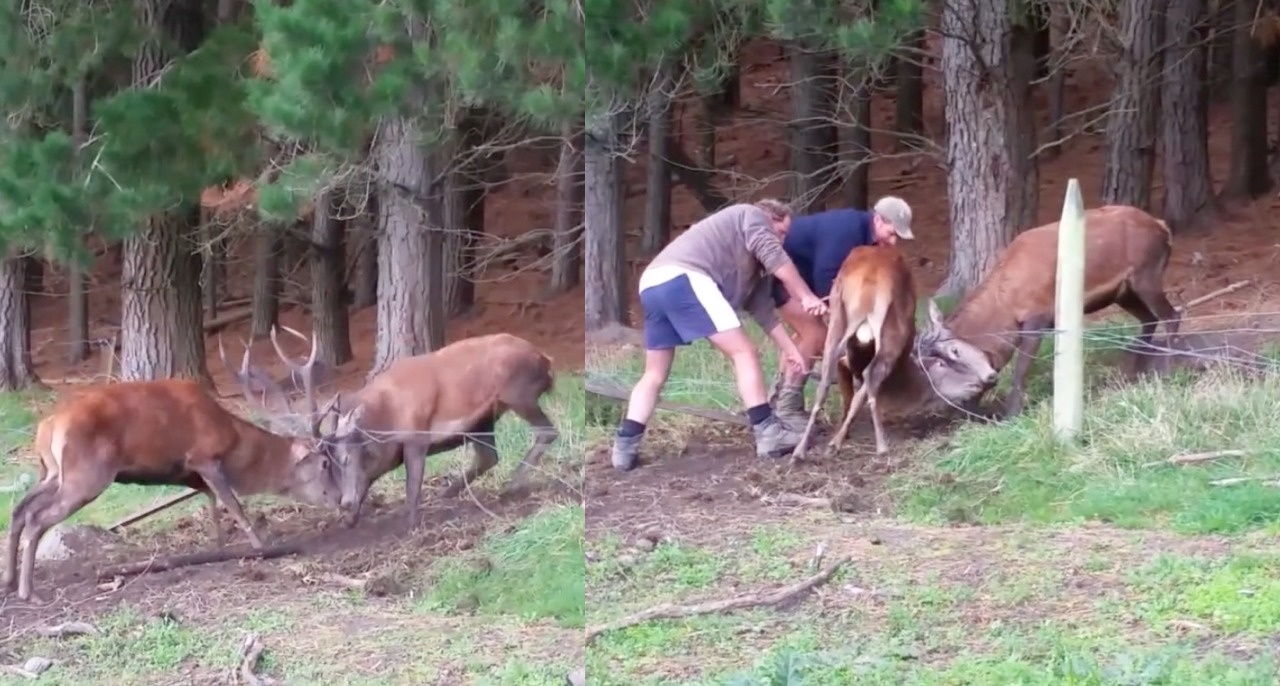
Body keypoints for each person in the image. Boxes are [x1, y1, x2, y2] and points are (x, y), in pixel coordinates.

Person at [610, 199, 829, 471]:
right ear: (770, 218)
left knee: (654, 374)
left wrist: (790, 349)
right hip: (685, 278)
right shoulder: (751, 215)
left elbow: (762, 310)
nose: (782, 240)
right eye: (781, 232)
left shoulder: (750, 266)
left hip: (653, 285)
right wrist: (806, 296)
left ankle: (625, 446)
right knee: (744, 352)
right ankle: (768, 432)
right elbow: (776, 257)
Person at [769, 196, 917, 426]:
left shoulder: (865, 236)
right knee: (815, 336)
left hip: (799, 277)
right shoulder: (846, 230)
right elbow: (825, 277)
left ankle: (779, 399)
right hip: (777, 276)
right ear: (878, 220)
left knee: (803, 336)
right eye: (892, 233)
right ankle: (788, 409)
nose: (894, 241)